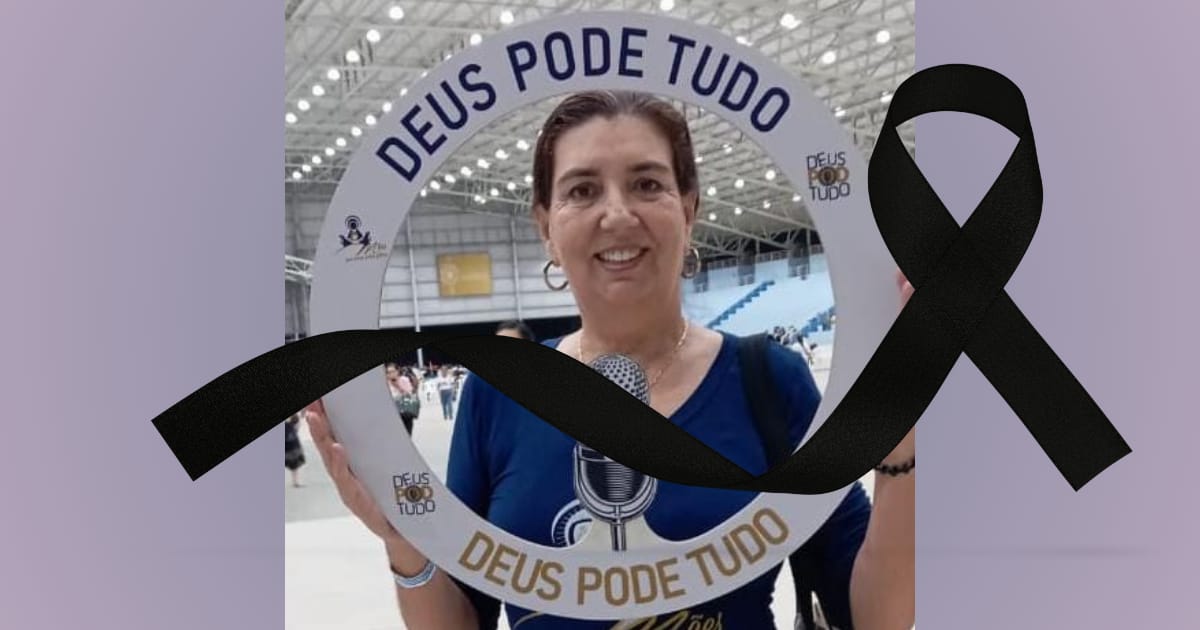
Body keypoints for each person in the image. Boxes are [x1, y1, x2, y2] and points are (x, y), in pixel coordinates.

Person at [307, 90, 914, 629]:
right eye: (582, 190)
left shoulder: (770, 381)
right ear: (546, 226)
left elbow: (874, 618)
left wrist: (903, 453)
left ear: (689, 209)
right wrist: (406, 544)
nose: (618, 214)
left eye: (648, 184)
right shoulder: (498, 396)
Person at [284, 412, 305, 488]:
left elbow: (296, 428)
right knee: (294, 463)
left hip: (291, 443)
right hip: (290, 442)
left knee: (294, 463)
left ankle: (295, 482)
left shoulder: (294, 419)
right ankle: (295, 482)